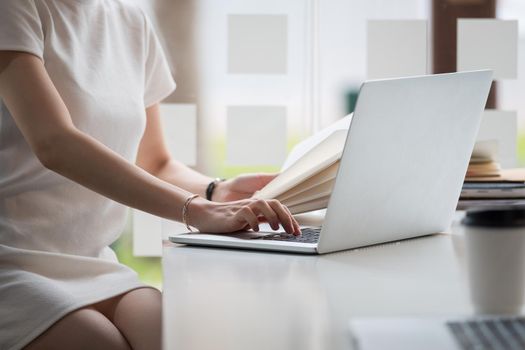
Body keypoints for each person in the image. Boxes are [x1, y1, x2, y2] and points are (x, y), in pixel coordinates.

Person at [0, 1, 301, 349]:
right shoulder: (16, 8)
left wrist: (216, 191)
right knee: (101, 342)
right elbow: (54, 143)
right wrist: (197, 210)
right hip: (11, 261)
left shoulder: (131, 22)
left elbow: (155, 162)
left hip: (95, 262)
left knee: (170, 336)